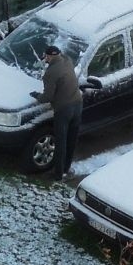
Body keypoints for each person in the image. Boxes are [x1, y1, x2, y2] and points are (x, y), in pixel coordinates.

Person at [30, 45, 83, 180]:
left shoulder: (51, 73)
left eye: (46, 57)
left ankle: (57, 174)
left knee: (61, 141)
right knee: (72, 139)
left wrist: (36, 95)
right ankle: (66, 169)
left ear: (50, 56)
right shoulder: (68, 60)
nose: (45, 59)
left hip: (64, 109)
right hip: (78, 104)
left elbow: (47, 97)